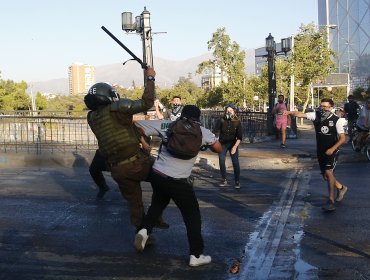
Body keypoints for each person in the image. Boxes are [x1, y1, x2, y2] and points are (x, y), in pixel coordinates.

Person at [133, 105, 222, 267]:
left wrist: (144, 143)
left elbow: (137, 126)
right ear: (198, 118)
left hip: (158, 175)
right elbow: (218, 148)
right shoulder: (202, 132)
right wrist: (204, 144)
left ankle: (144, 231)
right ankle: (196, 255)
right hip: (179, 181)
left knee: (158, 204)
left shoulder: (167, 125)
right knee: (192, 216)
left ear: (182, 115)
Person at [84, 66, 157, 228]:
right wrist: (150, 78)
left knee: (135, 203)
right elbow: (147, 102)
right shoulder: (118, 108)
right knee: (164, 179)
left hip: (118, 170)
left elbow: (125, 125)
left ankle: (142, 232)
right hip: (138, 163)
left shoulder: (92, 117)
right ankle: (156, 216)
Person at [284, 98, 348, 212]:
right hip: (321, 150)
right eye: (321, 106)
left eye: (325, 107)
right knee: (325, 176)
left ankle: (331, 201)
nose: (322, 109)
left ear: (331, 108)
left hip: (332, 150)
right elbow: (301, 114)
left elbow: (343, 138)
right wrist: (290, 112)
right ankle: (341, 188)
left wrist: (332, 149)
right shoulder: (316, 115)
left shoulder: (337, 120)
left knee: (329, 172)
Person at [214, 104, 243, 189]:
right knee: (221, 160)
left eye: (231, 111)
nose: (229, 112)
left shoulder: (237, 122)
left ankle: (237, 180)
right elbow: (215, 130)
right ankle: (223, 179)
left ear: (234, 111)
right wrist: (213, 139)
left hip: (233, 143)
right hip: (222, 143)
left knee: (235, 162)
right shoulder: (221, 120)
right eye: (227, 111)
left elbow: (240, 137)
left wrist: (235, 147)